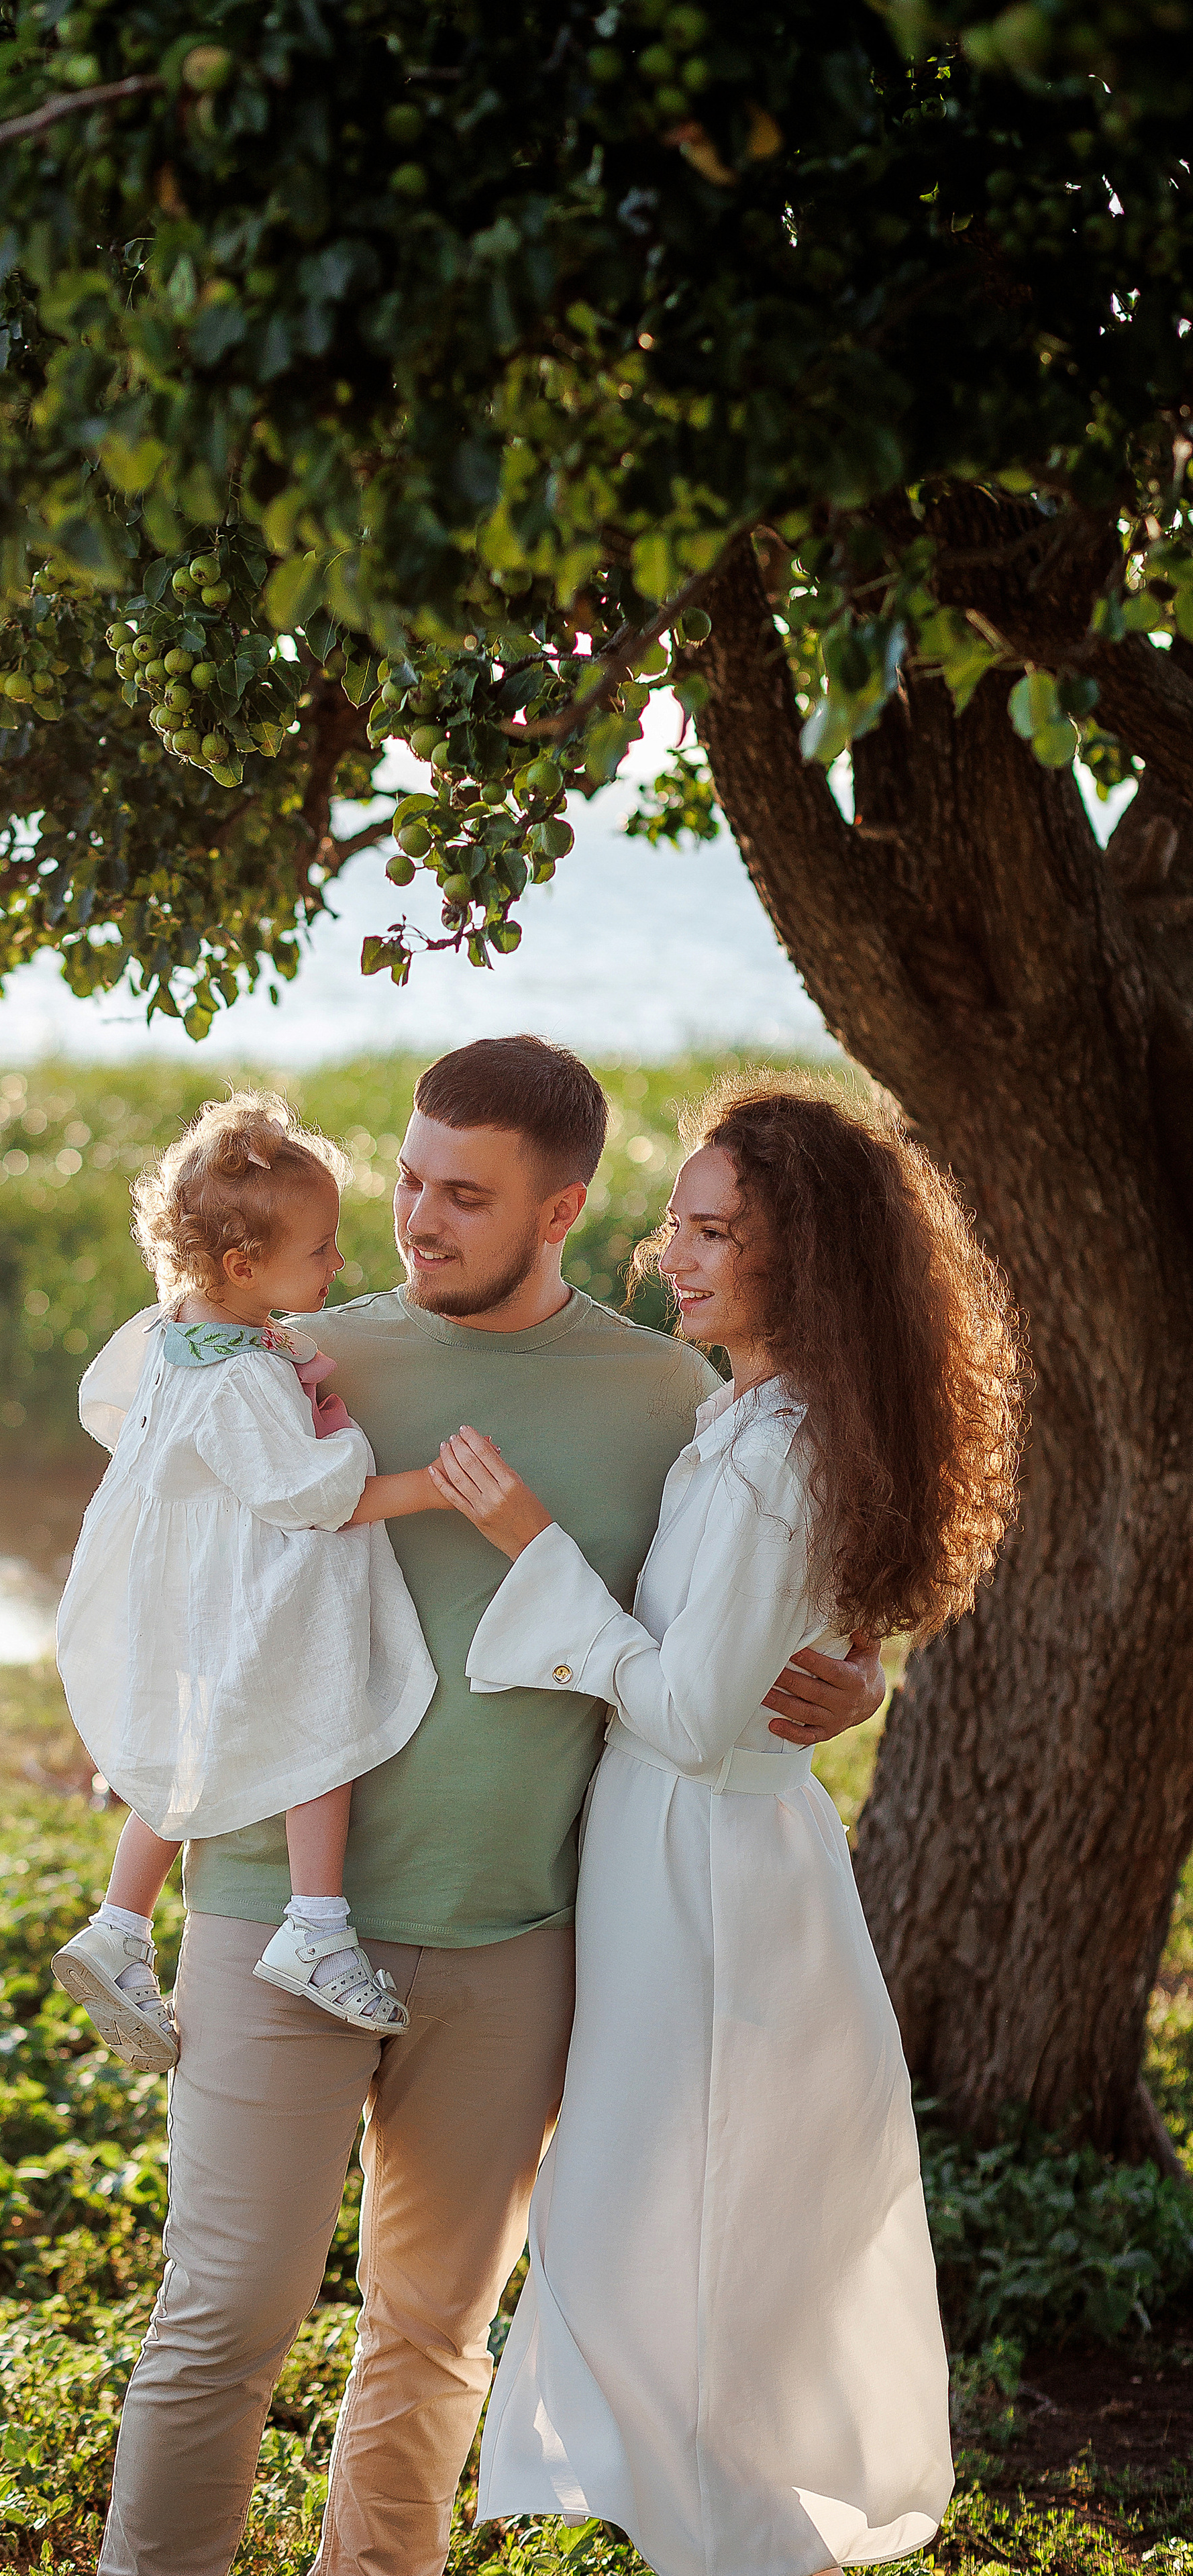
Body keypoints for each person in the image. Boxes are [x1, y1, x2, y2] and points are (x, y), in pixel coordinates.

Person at [97, 1036, 886, 2576]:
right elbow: (154, 1562)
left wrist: (855, 1673)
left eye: (464, 1195)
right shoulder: (286, 1359)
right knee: (221, 2318)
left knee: (431, 2333)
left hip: (517, 1928)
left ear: (562, 1207)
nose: (414, 1219)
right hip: (275, 1909)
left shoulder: (667, 1396)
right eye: (404, 1178)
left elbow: (758, 1586)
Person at [429, 1077, 1024, 2576]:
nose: (673, 1254)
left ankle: (732, 2542)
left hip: (704, 1873)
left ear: (801, 1261)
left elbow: (693, 1717)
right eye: (678, 1222)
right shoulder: (749, 1417)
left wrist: (529, 1552)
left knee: (680, 2251)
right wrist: (853, 1672)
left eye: (715, 1232)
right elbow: (765, 1642)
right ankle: (711, 2532)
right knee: (674, 2239)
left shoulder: (770, 1449)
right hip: (694, 1862)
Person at [52, 1092, 445, 2071]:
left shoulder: (175, 1328)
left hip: (185, 1585)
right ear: (243, 1266)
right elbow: (321, 1497)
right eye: (320, 1252)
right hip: (258, 1592)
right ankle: (315, 1925)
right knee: (327, 1724)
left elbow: (119, 1413)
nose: (340, 1266)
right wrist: (411, 1470)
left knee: (180, 1755)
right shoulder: (243, 1377)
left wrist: (284, 1363)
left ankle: (117, 1926)